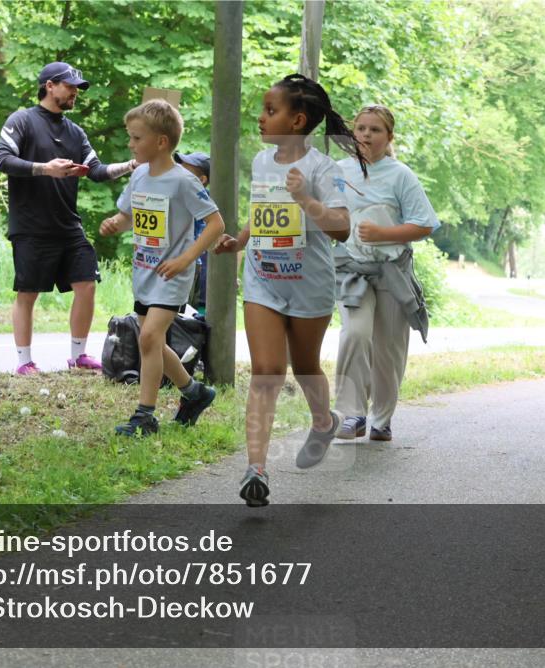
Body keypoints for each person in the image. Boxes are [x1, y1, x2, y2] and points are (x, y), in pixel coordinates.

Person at [215, 73, 367, 507]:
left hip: (309, 286)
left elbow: (341, 228)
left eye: (270, 110)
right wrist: (240, 240)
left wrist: (307, 201)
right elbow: (262, 208)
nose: (261, 118)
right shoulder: (263, 163)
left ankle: (323, 422)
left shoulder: (323, 169)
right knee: (266, 372)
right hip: (262, 280)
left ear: (298, 120)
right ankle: (256, 470)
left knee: (304, 368)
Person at [0, 62, 136, 375]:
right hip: (30, 226)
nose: (75, 92)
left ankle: (78, 356)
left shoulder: (75, 132)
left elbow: (97, 171)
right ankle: (24, 362)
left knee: (86, 283)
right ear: (49, 85)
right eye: (70, 86)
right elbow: (4, 160)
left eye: (77, 88)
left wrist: (131, 164)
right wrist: (46, 168)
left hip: (68, 226)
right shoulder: (22, 121)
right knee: (28, 292)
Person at [100, 100, 224, 437]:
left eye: (136, 138)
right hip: (144, 272)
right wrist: (116, 223)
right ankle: (194, 393)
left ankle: (145, 416)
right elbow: (130, 217)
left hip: (173, 274)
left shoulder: (183, 181)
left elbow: (215, 223)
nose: (131, 144)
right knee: (150, 341)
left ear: (161, 142)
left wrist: (186, 259)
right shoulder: (139, 175)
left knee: (151, 336)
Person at [333, 104, 440, 443]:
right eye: (361, 128)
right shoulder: (337, 171)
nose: (366, 134)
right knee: (355, 334)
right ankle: (352, 414)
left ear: (388, 136)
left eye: (375, 129)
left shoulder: (401, 175)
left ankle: (381, 418)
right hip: (351, 271)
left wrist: (383, 235)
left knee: (389, 348)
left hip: (392, 270)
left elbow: (424, 225)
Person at [174, 151, 211, 313]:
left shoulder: (199, 197)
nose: (178, 173)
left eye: (185, 171)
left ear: (202, 180)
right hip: (179, 260)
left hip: (186, 262)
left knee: (177, 315)